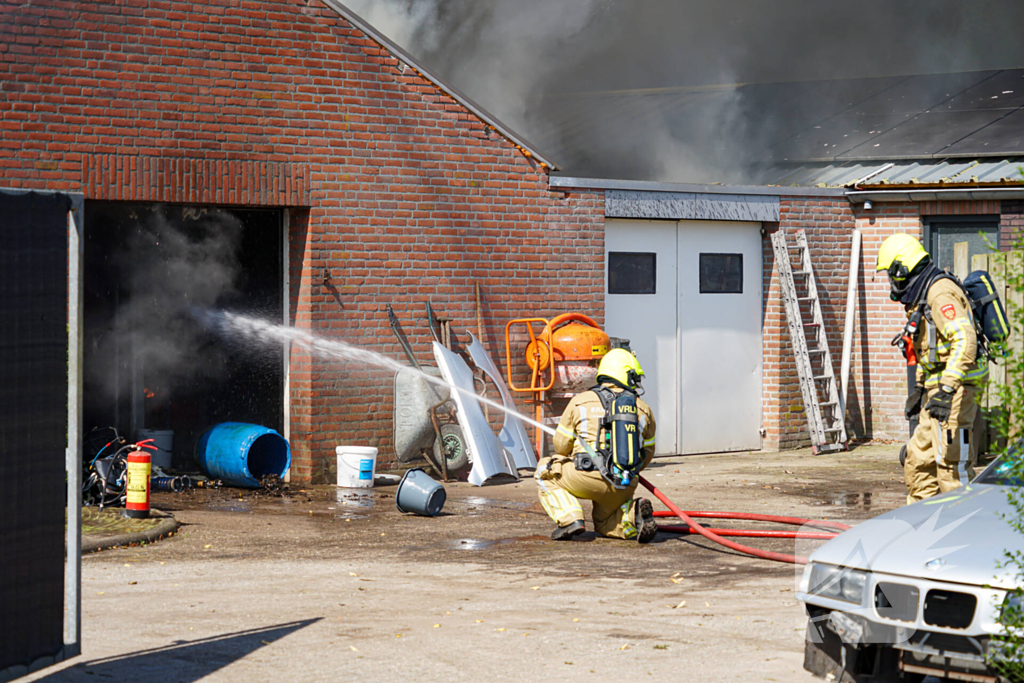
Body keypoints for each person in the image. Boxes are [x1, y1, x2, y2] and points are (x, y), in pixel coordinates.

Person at [876, 234, 987, 503]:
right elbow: (933, 350)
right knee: (918, 459)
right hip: (938, 389)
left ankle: (963, 534)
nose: (892, 282)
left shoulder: (939, 293)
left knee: (952, 467)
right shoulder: (924, 294)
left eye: (892, 274)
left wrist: (948, 389)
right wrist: (919, 389)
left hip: (957, 389)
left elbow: (964, 340)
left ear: (903, 269)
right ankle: (921, 525)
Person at [534, 348, 658, 542]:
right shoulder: (643, 408)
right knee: (604, 522)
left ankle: (570, 519)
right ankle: (633, 515)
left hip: (584, 478)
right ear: (627, 375)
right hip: (623, 485)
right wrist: (624, 470)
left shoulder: (579, 401)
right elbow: (648, 452)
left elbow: (561, 446)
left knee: (544, 469)